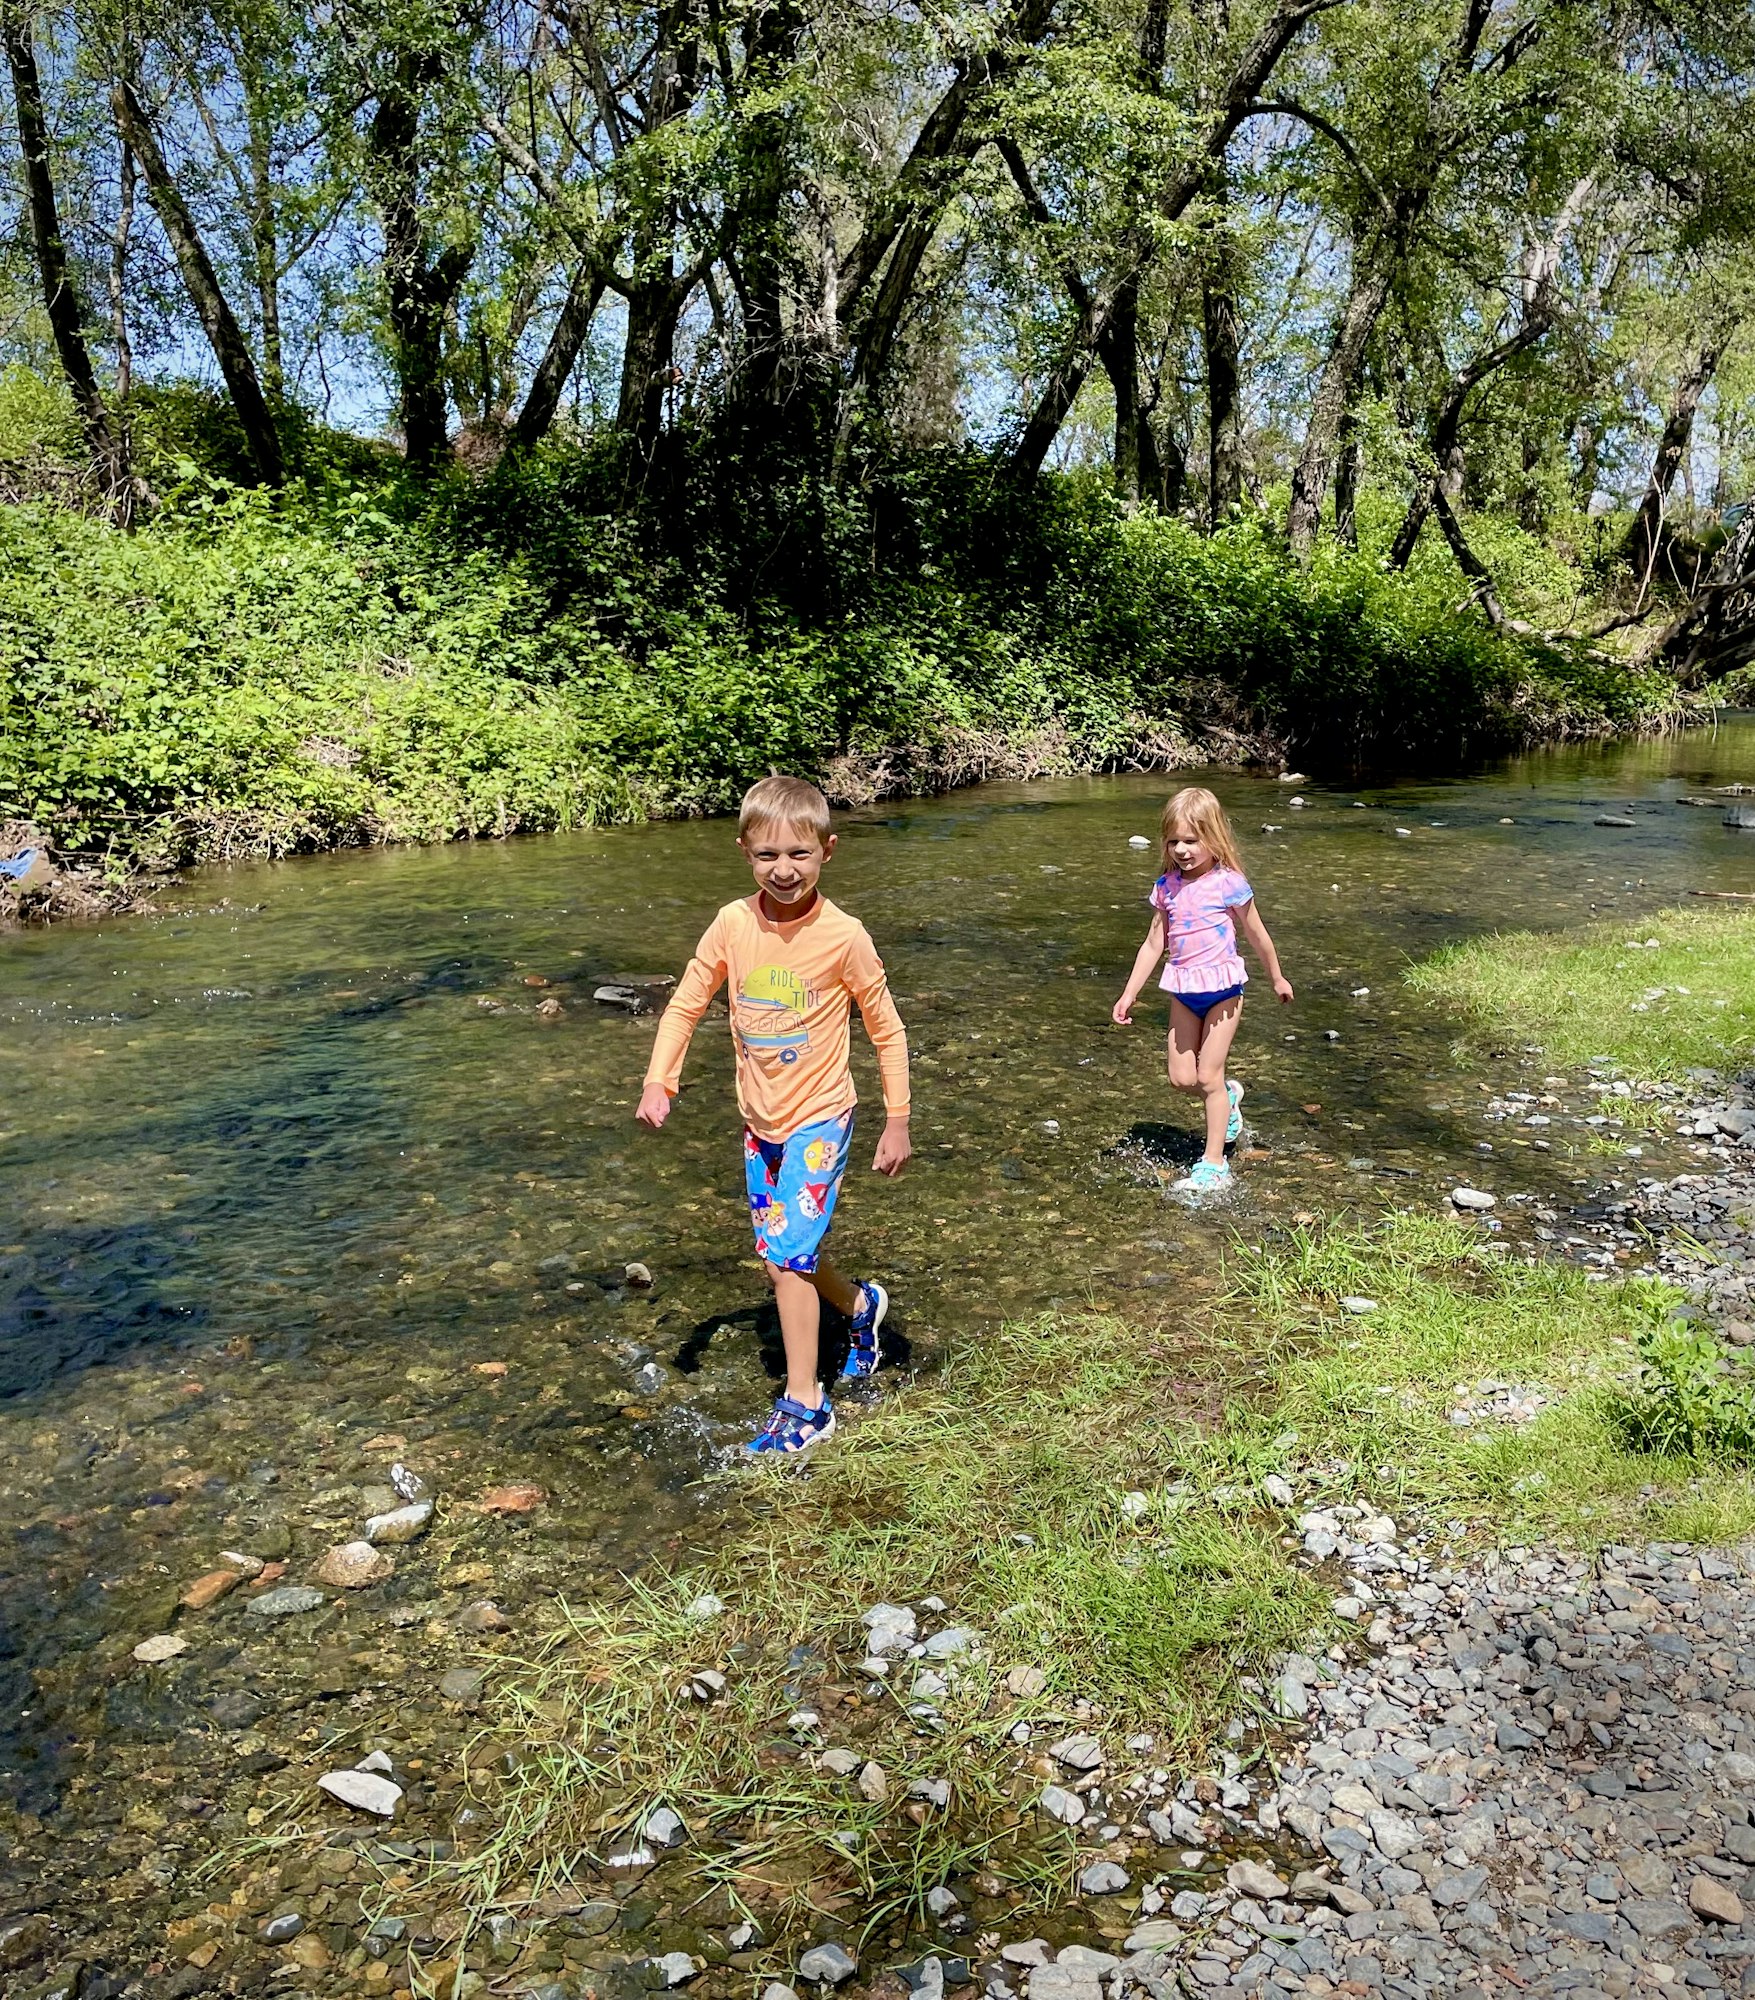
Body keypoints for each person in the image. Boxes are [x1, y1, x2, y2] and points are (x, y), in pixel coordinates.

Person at [636, 775, 911, 1454]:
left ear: (827, 851)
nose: (783, 870)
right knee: (781, 1256)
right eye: (767, 856)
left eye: (799, 854)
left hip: (821, 1118)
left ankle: (805, 1402)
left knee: (786, 1258)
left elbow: (886, 1029)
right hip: (760, 1123)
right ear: (743, 851)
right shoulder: (733, 924)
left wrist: (896, 1116)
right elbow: (686, 1003)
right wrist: (658, 1079)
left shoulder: (843, 937)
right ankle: (858, 1307)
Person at [1111, 785, 1293, 1196]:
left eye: (1191, 841)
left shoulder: (1228, 883)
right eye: (1173, 840)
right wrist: (1129, 993)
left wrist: (1277, 977)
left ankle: (1214, 1163)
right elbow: (1154, 943)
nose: (1181, 849)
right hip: (1184, 991)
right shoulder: (1167, 887)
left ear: (1213, 838)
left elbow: (1257, 934)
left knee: (1207, 1074)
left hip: (1224, 991)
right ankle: (1228, 1098)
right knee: (1180, 1078)